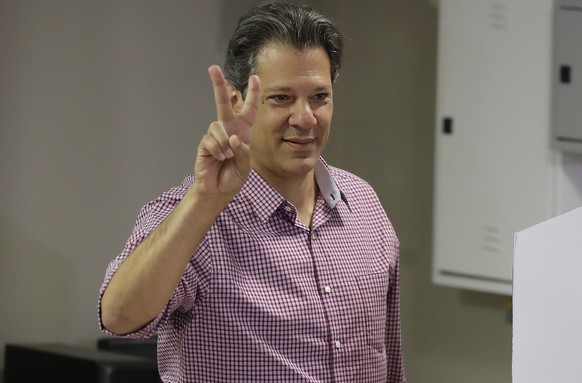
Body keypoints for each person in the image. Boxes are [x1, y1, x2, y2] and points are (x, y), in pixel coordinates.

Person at [99, 2, 406, 382]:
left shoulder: (364, 205)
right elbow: (119, 317)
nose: (305, 117)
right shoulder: (196, 215)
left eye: (319, 97)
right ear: (235, 100)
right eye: (281, 98)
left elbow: (389, 362)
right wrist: (203, 202)